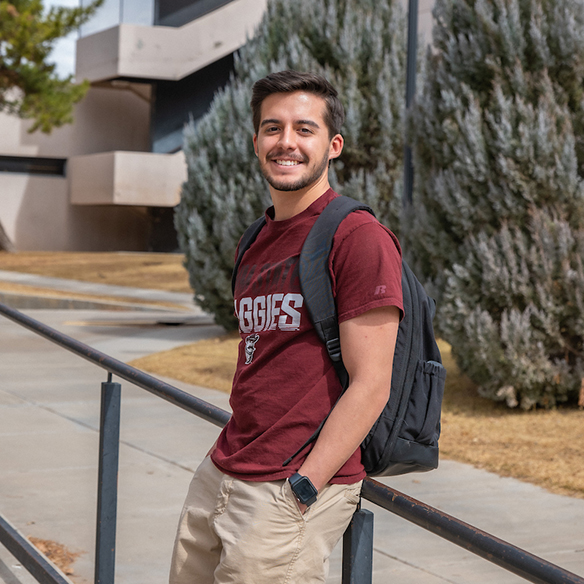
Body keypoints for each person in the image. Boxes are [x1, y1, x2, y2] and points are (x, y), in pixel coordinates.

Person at [170, 70, 403, 584]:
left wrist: (304, 486)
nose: (286, 142)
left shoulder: (358, 237)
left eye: (304, 128)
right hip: (225, 468)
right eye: (272, 128)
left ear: (333, 144)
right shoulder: (254, 238)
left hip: (290, 489)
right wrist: (223, 462)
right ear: (256, 142)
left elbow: (372, 384)